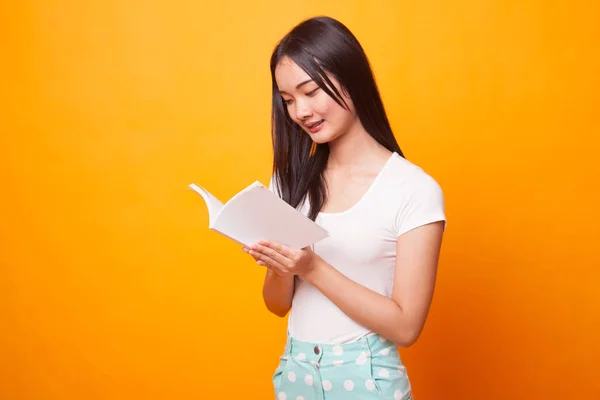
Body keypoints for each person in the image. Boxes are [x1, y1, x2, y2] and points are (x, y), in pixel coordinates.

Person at [242, 16, 446, 400]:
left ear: (351, 78)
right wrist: (279, 267)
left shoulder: (414, 190)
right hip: (296, 375)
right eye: (288, 100)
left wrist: (311, 266)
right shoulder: (289, 182)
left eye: (311, 91)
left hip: (368, 379)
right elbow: (277, 306)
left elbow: (406, 327)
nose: (300, 111)